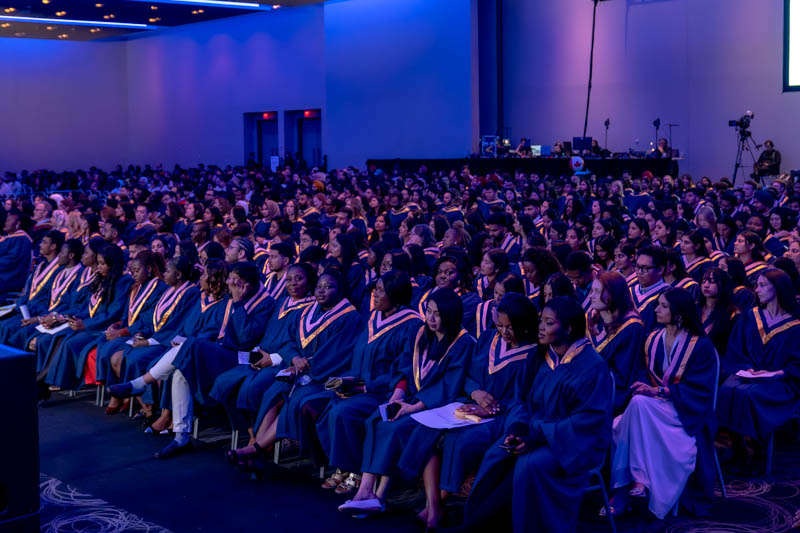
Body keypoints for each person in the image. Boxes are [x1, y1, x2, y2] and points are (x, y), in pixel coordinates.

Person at [463, 297, 612, 533]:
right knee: (498, 453)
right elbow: (519, 400)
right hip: (534, 432)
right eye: (541, 320)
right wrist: (517, 430)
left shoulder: (592, 366)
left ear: (569, 328)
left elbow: (588, 421)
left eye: (549, 323)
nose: (540, 327)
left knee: (530, 464)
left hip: (573, 444)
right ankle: (480, 524)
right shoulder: (539, 357)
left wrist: (537, 438)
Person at [397, 293, 539, 530]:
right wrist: (475, 393)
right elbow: (469, 377)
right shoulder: (487, 338)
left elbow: (521, 397)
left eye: (511, 327)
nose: (505, 332)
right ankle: (433, 507)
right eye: (501, 325)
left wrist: (492, 408)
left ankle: (437, 506)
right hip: (470, 403)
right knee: (427, 429)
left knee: (459, 440)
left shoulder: (532, 353)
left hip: (499, 416)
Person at [338, 289, 475, 516]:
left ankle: (378, 496)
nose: (430, 319)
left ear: (450, 316)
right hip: (409, 399)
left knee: (395, 428)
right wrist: (397, 396)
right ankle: (365, 492)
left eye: (437, 314)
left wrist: (413, 407)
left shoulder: (463, 343)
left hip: (436, 408)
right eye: (428, 312)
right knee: (378, 418)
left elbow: (449, 387)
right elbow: (403, 368)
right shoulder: (421, 333)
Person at [228, 269, 361, 465]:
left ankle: (255, 449)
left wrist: (304, 366)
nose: (321, 291)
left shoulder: (350, 317)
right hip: (298, 371)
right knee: (273, 393)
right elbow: (288, 341)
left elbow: (336, 354)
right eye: (319, 286)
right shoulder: (309, 311)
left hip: (324, 377)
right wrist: (295, 358)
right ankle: (257, 448)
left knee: (293, 397)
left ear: (340, 289)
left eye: (329, 287)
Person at [608, 288, 717, 519]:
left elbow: (700, 391)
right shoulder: (653, 339)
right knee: (637, 404)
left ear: (678, 313)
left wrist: (658, 390)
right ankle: (638, 482)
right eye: (657, 304)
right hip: (651, 409)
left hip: (682, 413)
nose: (656, 309)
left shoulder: (701, 346)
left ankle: (624, 488)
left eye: (663, 306)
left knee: (635, 408)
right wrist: (643, 386)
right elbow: (639, 373)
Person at [312, 270, 423, 494]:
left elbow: (403, 371)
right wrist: (348, 382)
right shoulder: (374, 317)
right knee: (324, 403)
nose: (375, 294)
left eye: (381, 290)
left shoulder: (411, 325)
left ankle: (356, 471)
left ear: (396, 294)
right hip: (361, 387)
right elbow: (359, 356)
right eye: (375, 289)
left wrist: (365, 387)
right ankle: (342, 466)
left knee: (343, 412)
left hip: (385, 392)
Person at [109, 260, 231, 435]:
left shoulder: (224, 304)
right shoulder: (202, 298)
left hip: (204, 352)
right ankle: (168, 417)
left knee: (172, 367)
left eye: (204, 275)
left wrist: (176, 340)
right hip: (182, 345)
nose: (201, 277)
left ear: (215, 279)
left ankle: (164, 412)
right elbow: (184, 326)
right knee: (166, 364)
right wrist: (178, 338)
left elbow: (212, 333)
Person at [210, 263, 317, 444]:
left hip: (282, 363)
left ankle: (259, 441)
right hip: (261, 357)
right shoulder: (281, 303)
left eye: (299, 279)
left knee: (251, 389)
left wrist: (273, 359)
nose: (292, 283)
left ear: (309, 282)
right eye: (289, 279)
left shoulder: (312, 308)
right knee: (223, 382)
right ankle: (252, 433)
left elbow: (299, 345)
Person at [718, 269, 800, 471]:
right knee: (727, 390)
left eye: (763, 285)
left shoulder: (796, 325)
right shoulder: (749, 317)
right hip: (749, 373)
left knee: (750, 394)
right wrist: (748, 369)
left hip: (782, 381)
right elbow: (736, 350)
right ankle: (738, 449)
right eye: (757, 285)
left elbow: (797, 363)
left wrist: (775, 374)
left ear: (778, 288)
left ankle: (758, 451)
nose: (757, 290)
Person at [108, 257, 199, 422]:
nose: (163, 274)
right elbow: (154, 319)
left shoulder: (190, 293)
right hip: (155, 337)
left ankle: (152, 409)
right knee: (120, 355)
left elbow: (177, 324)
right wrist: (142, 333)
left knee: (134, 359)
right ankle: (145, 407)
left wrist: (149, 341)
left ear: (178, 275)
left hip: (168, 343)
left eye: (167, 271)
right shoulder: (169, 290)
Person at [43, 244, 133, 393]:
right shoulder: (102, 278)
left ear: (113, 263)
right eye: (98, 263)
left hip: (106, 326)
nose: (99, 267)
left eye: (103, 263)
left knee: (71, 342)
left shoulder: (123, 281)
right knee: (62, 336)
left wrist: (85, 324)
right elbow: (90, 308)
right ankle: (48, 379)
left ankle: (55, 381)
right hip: (93, 323)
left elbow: (113, 313)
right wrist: (72, 318)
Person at [588, 271, 645, 414]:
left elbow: (623, 374)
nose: (591, 296)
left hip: (610, 390)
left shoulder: (631, 327)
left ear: (613, 294)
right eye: (591, 291)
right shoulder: (593, 321)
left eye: (597, 291)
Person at [699, 268, 739, 356]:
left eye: (712, 282)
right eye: (703, 281)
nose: (706, 285)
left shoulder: (732, 314)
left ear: (723, 285)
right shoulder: (695, 309)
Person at [630, 246, 671, 332]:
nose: (639, 272)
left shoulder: (669, 295)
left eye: (645, 268)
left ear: (660, 269)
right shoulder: (629, 292)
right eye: (637, 267)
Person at [0, 211, 33, 299]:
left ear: (18, 223)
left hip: (10, 278)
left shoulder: (21, 239)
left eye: (8, 220)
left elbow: (11, 261)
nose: (5, 223)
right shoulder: (11, 237)